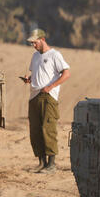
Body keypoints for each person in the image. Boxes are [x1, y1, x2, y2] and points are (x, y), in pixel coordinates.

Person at [20, 29, 70, 173]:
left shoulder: (55, 55)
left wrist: (51, 86)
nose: (33, 45)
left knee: (48, 129)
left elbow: (67, 73)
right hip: (34, 96)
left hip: (48, 97)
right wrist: (29, 79)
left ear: (42, 39)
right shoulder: (35, 56)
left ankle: (51, 164)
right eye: (31, 43)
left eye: (34, 42)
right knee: (35, 130)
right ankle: (41, 162)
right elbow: (36, 74)